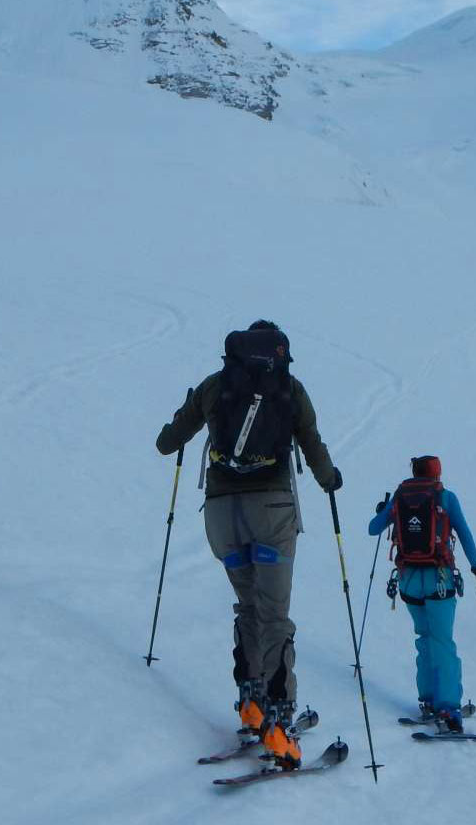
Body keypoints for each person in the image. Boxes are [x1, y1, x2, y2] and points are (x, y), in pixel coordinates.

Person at [156, 320, 342, 769]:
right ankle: (278, 721)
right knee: (274, 613)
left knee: (248, 608)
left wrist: (187, 412)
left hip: (223, 516)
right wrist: (329, 480)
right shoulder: (289, 389)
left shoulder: (215, 386)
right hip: (272, 512)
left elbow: (167, 444)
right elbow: (312, 445)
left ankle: (252, 702)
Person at [368, 455, 476, 731]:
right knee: (442, 641)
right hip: (439, 580)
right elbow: (464, 533)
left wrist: (384, 510)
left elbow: (373, 529)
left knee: (424, 638)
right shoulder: (445, 497)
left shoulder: (400, 497)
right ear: (437, 473)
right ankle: (448, 709)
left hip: (408, 582)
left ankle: (428, 700)